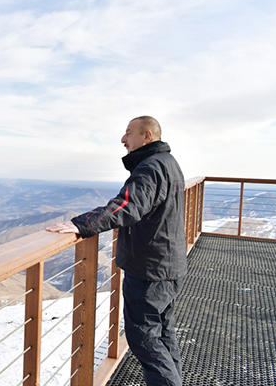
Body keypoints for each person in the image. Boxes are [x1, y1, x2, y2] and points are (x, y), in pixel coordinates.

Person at [47, 116, 186, 386]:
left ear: (147, 136)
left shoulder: (151, 167)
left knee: (144, 338)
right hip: (167, 265)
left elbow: (127, 206)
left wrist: (80, 224)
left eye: (128, 133)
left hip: (150, 270)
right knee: (162, 333)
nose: (123, 139)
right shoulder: (169, 163)